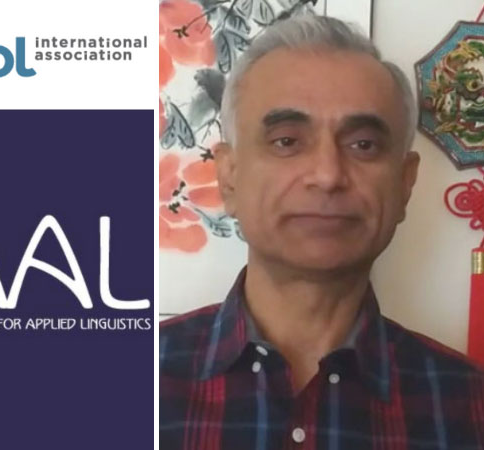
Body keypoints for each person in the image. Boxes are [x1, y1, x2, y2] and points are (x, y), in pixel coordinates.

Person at [159, 14, 484, 449]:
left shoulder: (469, 406)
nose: (328, 175)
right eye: (287, 141)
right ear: (229, 177)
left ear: (405, 183)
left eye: (363, 145)